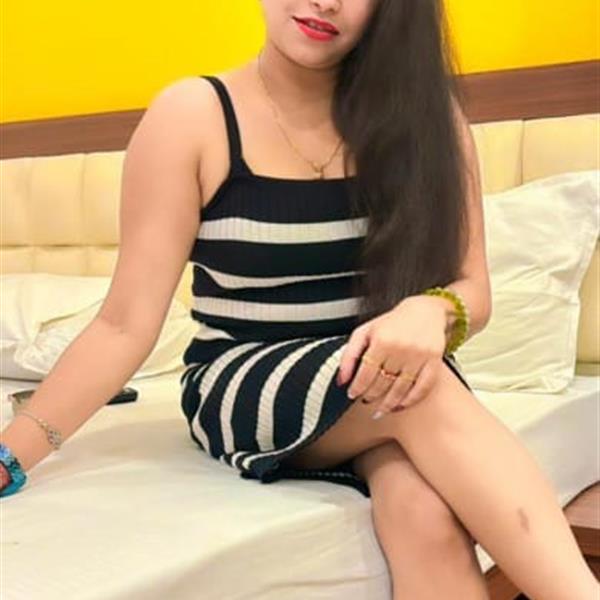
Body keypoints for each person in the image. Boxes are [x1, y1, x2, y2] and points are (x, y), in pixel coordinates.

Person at [1, 1, 598, 598]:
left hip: (385, 380)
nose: (326, 2)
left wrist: (431, 309)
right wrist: (12, 454)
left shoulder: (427, 120)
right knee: (422, 390)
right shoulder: (194, 117)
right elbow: (123, 325)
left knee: (422, 509)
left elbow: (473, 291)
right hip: (246, 379)